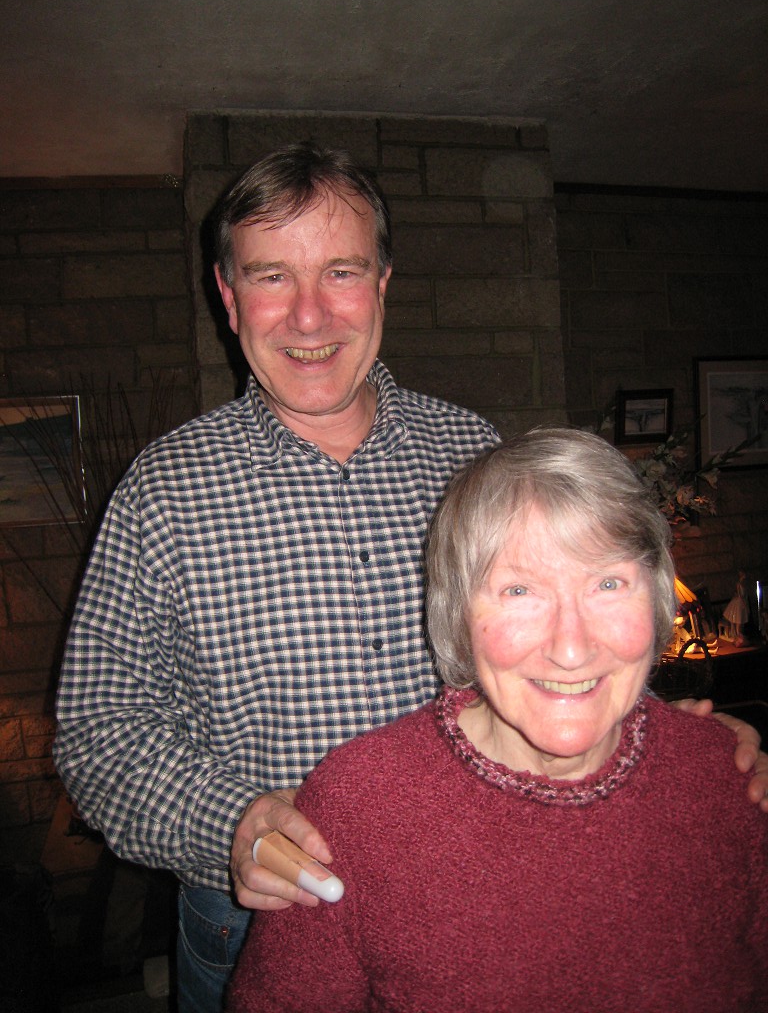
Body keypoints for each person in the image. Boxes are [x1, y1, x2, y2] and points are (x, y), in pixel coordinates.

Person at [53, 144, 768, 1013]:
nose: (310, 315)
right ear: (228, 296)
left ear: (383, 283)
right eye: (273, 276)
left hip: (479, 903)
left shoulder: (474, 455)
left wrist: (692, 753)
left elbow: (558, 645)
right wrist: (233, 822)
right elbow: (99, 733)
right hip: (259, 919)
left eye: (342, 272)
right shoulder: (162, 492)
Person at [228, 428, 768, 1013]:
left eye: (608, 583)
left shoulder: (729, 779)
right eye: (519, 590)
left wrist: (708, 756)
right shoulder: (357, 808)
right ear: (456, 615)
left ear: (659, 597)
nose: (571, 648)